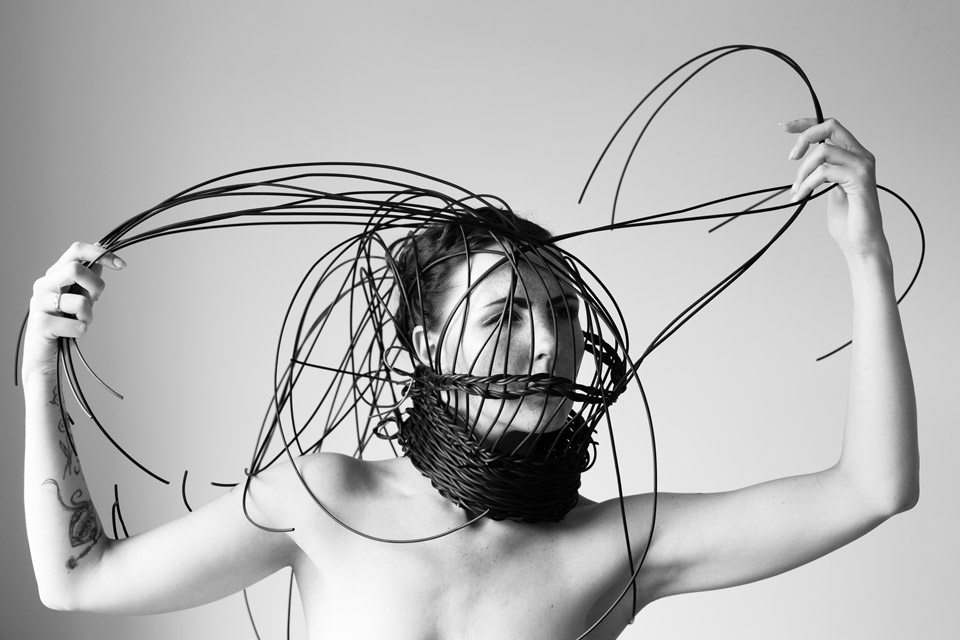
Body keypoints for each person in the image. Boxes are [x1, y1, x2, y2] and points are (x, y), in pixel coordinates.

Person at [22, 118, 918, 639]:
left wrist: (865, 255)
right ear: (424, 340)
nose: (547, 345)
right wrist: (40, 366)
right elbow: (78, 580)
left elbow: (872, 489)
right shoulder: (323, 500)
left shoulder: (617, 546)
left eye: (562, 314)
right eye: (503, 317)